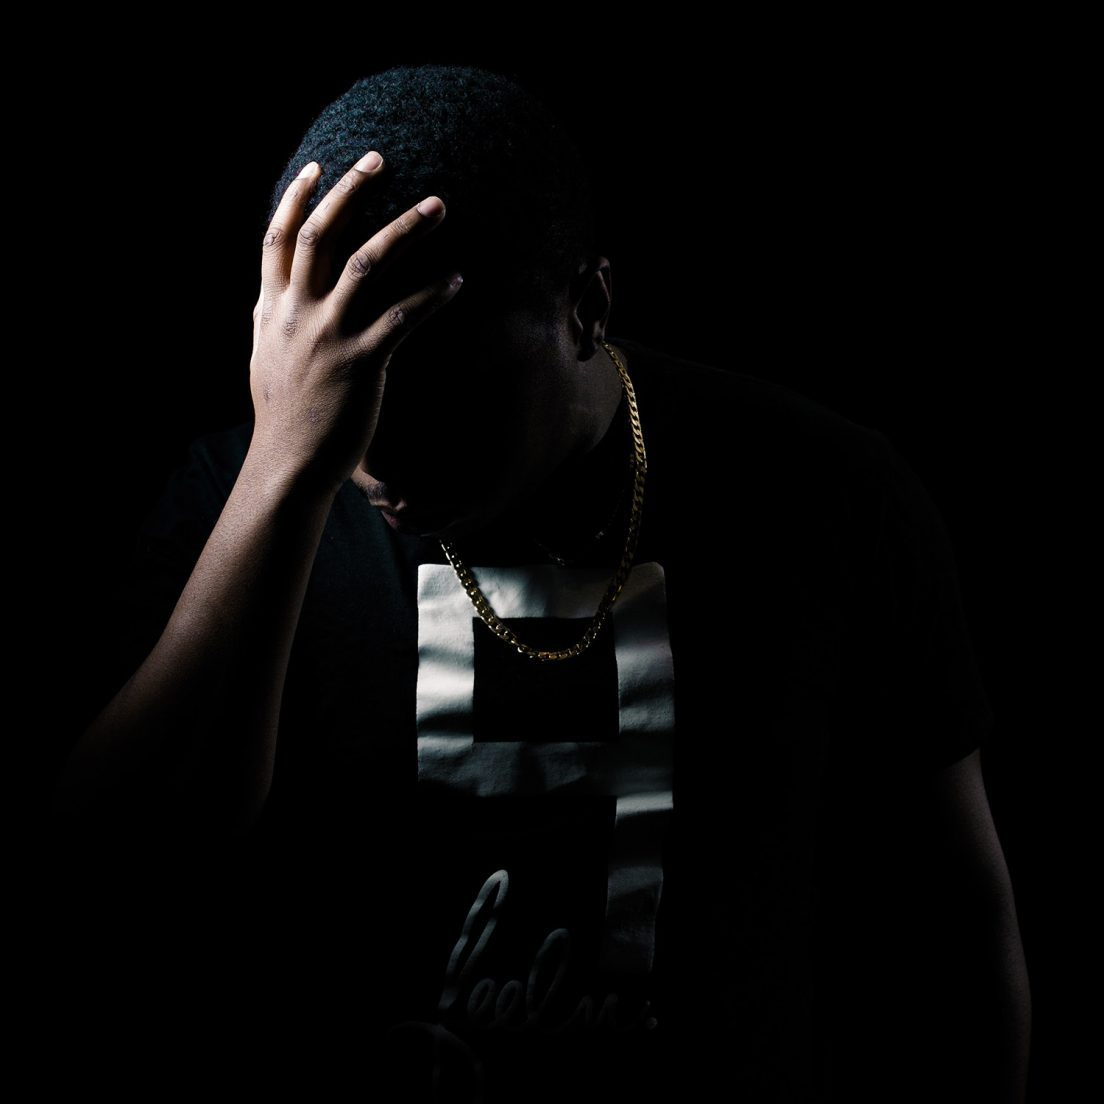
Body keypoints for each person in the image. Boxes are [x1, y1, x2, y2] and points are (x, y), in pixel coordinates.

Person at [52, 65, 1030, 1101]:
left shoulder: (822, 491)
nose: (385, 463)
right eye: (353, 394)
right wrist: (287, 462)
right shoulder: (245, 502)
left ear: (587, 307)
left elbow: (953, 918)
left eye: (446, 396)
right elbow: (119, 878)